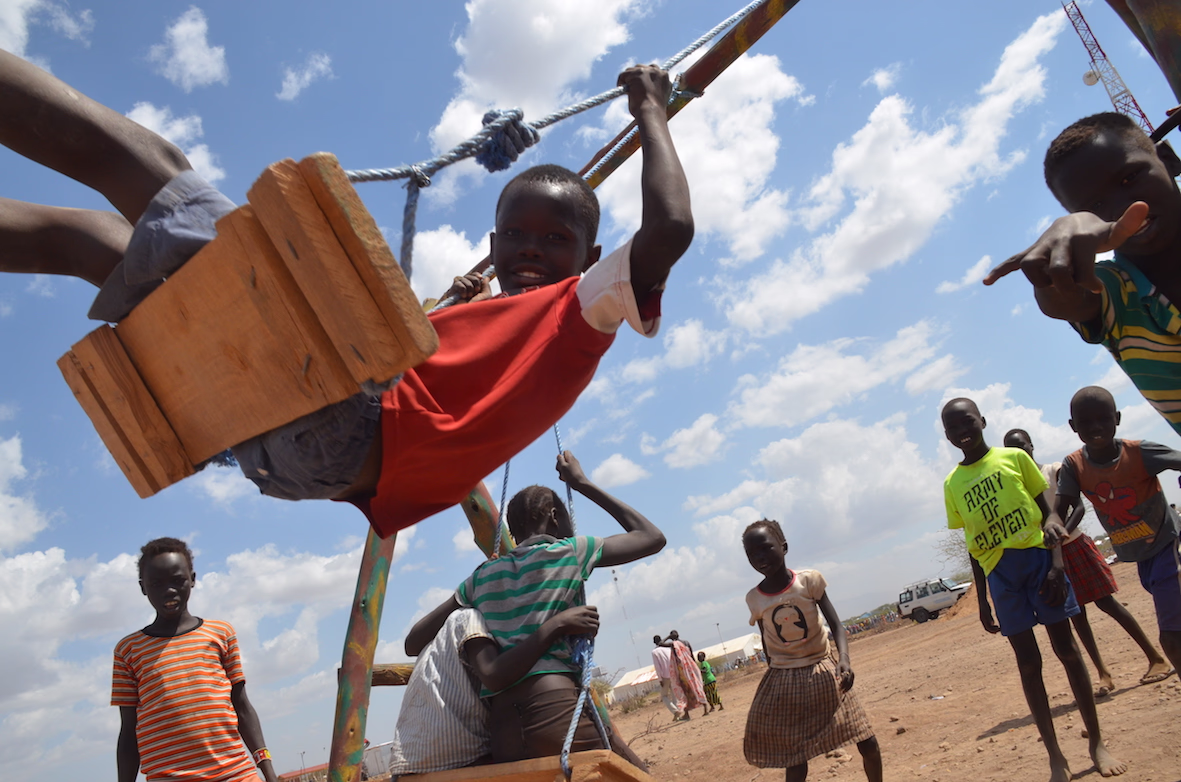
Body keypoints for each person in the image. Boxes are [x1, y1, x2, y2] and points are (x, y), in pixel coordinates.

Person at [0, 49, 694, 537]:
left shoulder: (585, 307)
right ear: (493, 241)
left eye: (554, 241)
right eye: (514, 236)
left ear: (593, 259)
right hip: (289, 458)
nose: (531, 251)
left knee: (152, 168)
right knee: (94, 241)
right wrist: (452, 304)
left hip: (343, 428)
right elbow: (448, 371)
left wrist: (648, 111)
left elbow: (670, 227)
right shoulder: (493, 321)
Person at [403, 451, 663, 766]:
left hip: (502, 733)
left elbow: (413, 642)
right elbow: (651, 537)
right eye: (565, 516)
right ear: (553, 516)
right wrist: (582, 483)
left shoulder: (481, 577)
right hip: (555, 709)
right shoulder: (568, 552)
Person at [942, 398, 1125, 781]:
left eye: (968, 422)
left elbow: (1050, 517)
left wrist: (1057, 566)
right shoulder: (952, 484)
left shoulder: (1014, 459)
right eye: (953, 427)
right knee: (1028, 665)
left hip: (1040, 564)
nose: (962, 431)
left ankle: (1097, 744)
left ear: (983, 421)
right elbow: (973, 545)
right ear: (946, 434)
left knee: (1068, 652)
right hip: (1001, 577)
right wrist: (982, 601)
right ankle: (1056, 757)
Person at [983, 112, 1181, 438]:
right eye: (1094, 206)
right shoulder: (1115, 295)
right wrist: (1065, 234)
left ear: (1169, 160)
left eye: (1129, 179)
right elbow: (1065, 300)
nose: (1121, 207)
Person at [1004, 427, 1172, 694]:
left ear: (1031, 446)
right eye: (1011, 450)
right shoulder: (1017, 488)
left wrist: (1060, 533)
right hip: (1051, 556)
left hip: (1075, 545)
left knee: (1107, 603)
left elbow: (1078, 507)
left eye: (1021, 446)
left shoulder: (1053, 471)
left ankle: (1156, 657)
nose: (1018, 452)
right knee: (1077, 616)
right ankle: (1103, 674)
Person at [112, 538, 279, 782]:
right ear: (143, 587)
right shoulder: (128, 650)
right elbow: (128, 731)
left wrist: (268, 772)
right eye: (156, 583)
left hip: (236, 774)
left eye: (177, 580)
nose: (168, 590)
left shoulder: (221, 633)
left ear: (192, 578)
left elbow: (241, 706)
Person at [1055, 385, 1181, 678]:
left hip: (1166, 546)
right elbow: (1062, 507)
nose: (1096, 427)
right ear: (1074, 427)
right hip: (1141, 556)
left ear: (1118, 418)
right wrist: (1052, 522)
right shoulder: (1074, 465)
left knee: (1171, 638)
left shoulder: (1140, 452)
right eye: (1086, 422)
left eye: (1103, 418)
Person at [741, 518, 880, 782]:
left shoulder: (809, 581)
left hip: (824, 668)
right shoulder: (754, 598)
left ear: (784, 547)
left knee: (866, 741)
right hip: (785, 679)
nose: (759, 557)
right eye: (751, 554)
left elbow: (837, 626)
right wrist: (774, 680)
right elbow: (767, 641)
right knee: (796, 761)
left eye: (765, 548)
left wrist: (844, 661)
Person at [389, 605, 601, 777]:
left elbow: (410, 645)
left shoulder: (445, 630)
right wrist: (557, 625)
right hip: (452, 762)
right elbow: (494, 676)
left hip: (408, 762)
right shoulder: (471, 620)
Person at [651, 635, 684, 720]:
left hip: (664, 676)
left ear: (654, 642)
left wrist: (660, 679)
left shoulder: (655, 652)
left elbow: (657, 667)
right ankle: (677, 715)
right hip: (672, 673)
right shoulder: (667, 649)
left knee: (664, 696)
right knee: (674, 695)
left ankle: (675, 711)